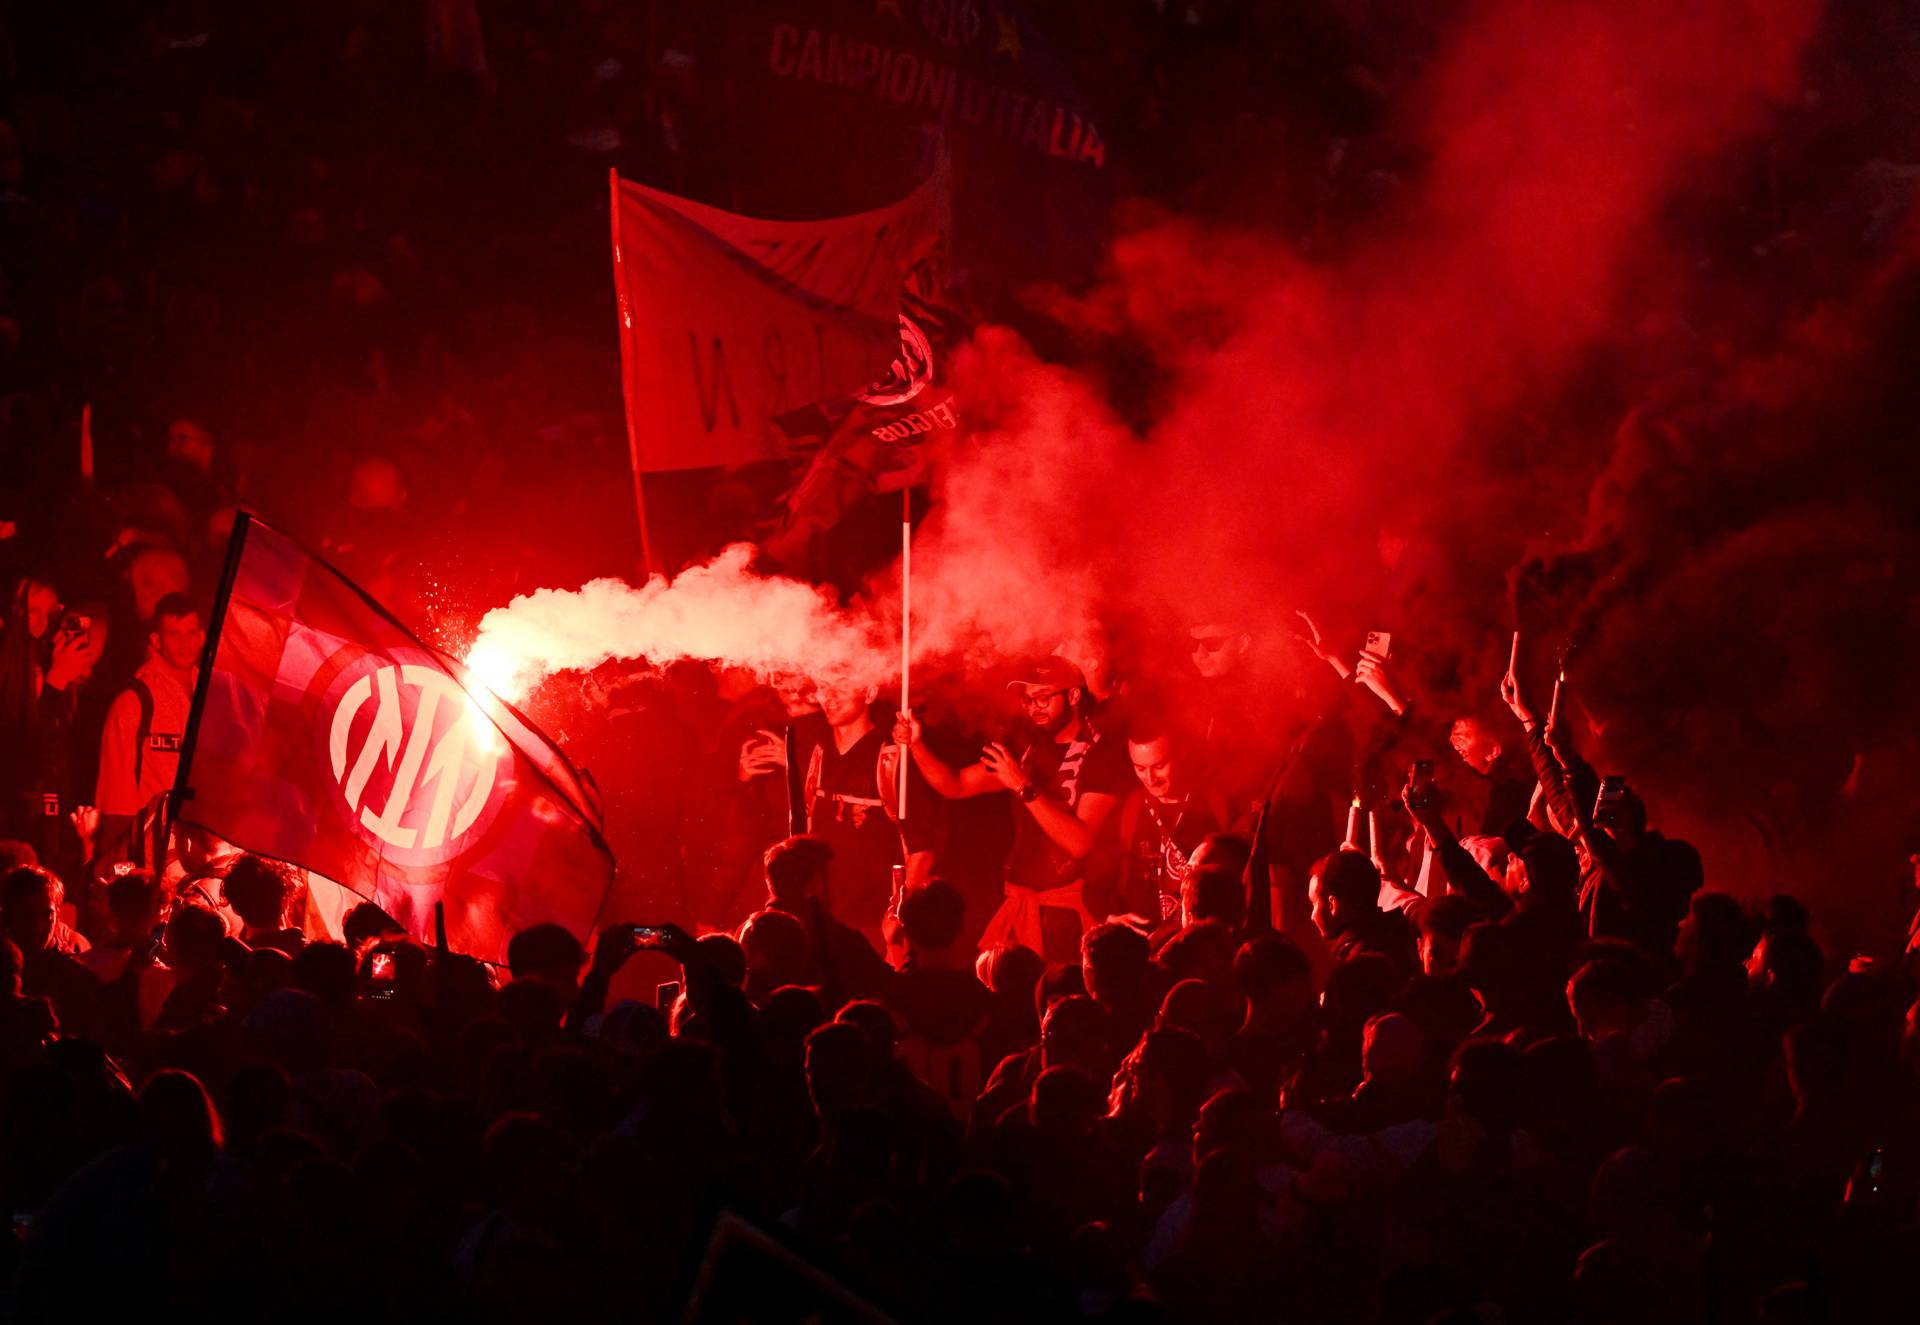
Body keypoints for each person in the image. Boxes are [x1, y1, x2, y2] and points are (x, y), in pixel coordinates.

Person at [896, 656, 1131, 962]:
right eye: (1028, 700)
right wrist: (916, 744)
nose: (1034, 707)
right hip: (1020, 904)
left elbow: (1080, 843)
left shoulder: (1101, 753)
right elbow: (955, 785)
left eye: (1044, 698)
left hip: (1070, 915)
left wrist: (1021, 784)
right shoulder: (1027, 749)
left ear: (1073, 695)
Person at [788, 679, 936, 952]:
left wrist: (899, 911)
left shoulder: (892, 757)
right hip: (820, 911)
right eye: (824, 687)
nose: (828, 696)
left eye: (840, 687)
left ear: (869, 692)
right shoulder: (814, 749)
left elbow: (923, 847)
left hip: (872, 919)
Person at [95, 592, 202, 863]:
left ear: (201, 637)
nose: (184, 644)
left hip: (203, 852)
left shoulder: (216, 694)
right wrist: (117, 864)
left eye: (190, 633)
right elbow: (115, 795)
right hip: (151, 855)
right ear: (156, 640)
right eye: (174, 634)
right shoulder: (133, 703)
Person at [1109, 722, 1231, 928]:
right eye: (1140, 768)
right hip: (1143, 947)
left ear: (1180, 753)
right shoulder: (1130, 808)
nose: (1150, 779)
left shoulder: (1215, 804)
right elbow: (1098, 879)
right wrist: (1110, 915)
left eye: (1159, 766)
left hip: (1202, 942)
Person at [761, 834, 893, 1002]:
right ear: (814, 883)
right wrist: (894, 942)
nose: (840, 883)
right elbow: (892, 988)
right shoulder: (839, 940)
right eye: (833, 875)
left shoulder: (751, 935)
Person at [1307, 851, 1415, 982]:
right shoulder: (1399, 937)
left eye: (1314, 903)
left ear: (1332, 904)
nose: (1312, 916)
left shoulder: (1358, 967)